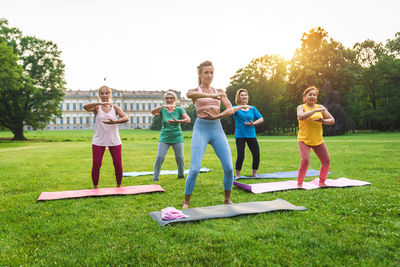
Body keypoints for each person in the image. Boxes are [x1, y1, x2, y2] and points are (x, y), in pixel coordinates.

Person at [182, 61, 251, 208]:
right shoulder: (195, 91)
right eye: (206, 72)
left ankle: (227, 198)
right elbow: (189, 94)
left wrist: (216, 117)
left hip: (217, 128)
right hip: (201, 129)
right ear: (200, 74)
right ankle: (186, 201)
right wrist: (213, 97)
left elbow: (230, 109)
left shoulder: (219, 90)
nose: (209, 75)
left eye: (211, 72)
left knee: (229, 168)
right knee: (194, 169)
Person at [83, 85, 128, 188]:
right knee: (96, 165)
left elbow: (126, 118)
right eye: (102, 93)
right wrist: (100, 103)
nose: (104, 95)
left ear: (110, 94)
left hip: (114, 140)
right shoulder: (96, 108)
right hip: (99, 140)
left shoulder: (115, 107)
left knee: (118, 164)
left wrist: (115, 122)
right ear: (99, 95)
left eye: (107, 93)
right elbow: (85, 107)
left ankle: (119, 186)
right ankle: (95, 187)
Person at [296, 86, 335, 187]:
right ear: (305, 97)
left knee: (326, 161)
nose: (312, 96)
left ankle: (322, 182)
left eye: (314, 95)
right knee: (305, 160)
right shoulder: (301, 107)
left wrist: (323, 121)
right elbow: (301, 116)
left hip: (317, 140)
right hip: (304, 139)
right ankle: (299, 184)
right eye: (310, 94)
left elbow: (332, 120)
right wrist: (314, 111)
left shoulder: (320, 107)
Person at [151, 91, 191, 182]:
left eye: (171, 98)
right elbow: (153, 112)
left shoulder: (179, 109)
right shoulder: (163, 110)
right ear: (165, 100)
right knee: (160, 157)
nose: (169, 100)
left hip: (177, 136)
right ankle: (155, 177)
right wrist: (163, 106)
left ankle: (181, 175)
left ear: (174, 99)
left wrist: (177, 121)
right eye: (167, 98)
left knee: (179, 157)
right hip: (165, 136)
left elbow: (188, 120)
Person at [233, 88, 264, 178]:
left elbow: (261, 118)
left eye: (245, 95)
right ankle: (237, 175)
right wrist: (240, 107)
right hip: (240, 135)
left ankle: (254, 174)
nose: (244, 97)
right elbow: (230, 111)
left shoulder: (252, 108)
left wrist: (254, 123)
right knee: (241, 155)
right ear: (238, 97)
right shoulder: (235, 108)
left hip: (251, 134)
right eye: (242, 95)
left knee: (256, 154)